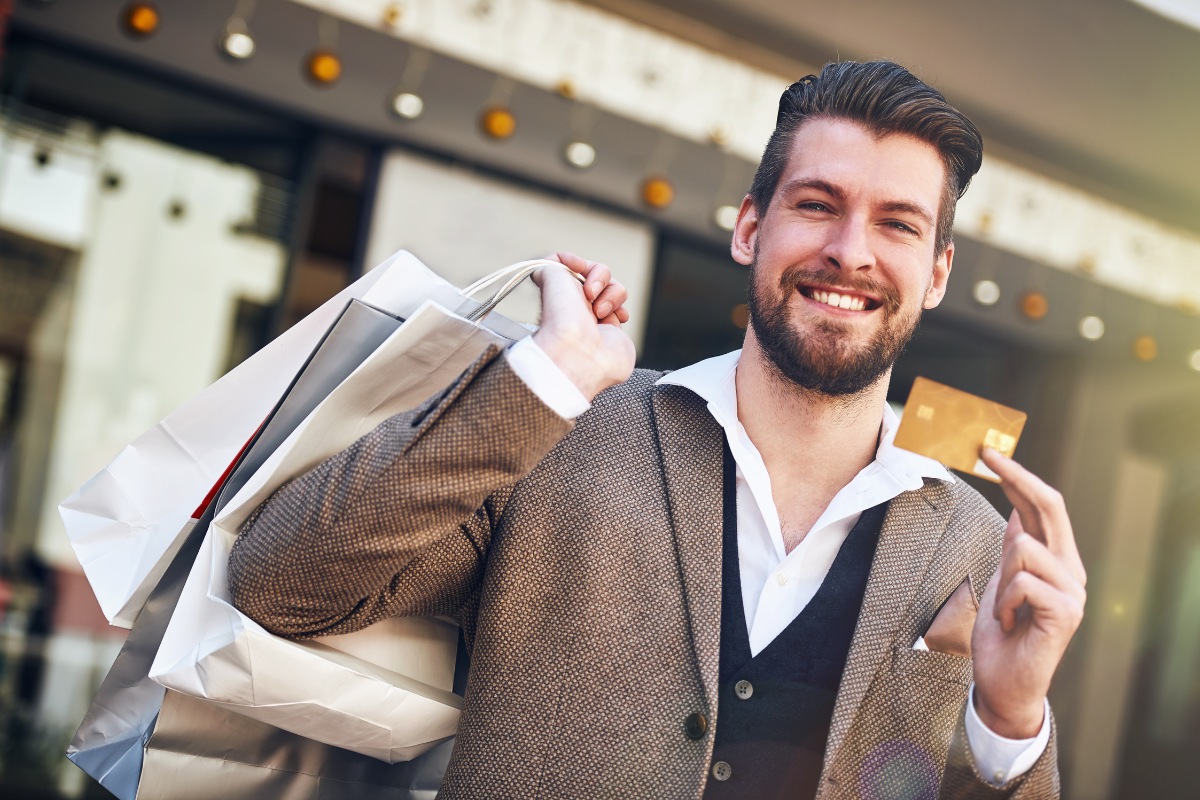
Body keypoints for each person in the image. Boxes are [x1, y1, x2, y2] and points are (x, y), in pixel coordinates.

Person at [229, 60, 1084, 799]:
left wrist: (1010, 722)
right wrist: (540, 381)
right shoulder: (565, 432)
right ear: (751, 228)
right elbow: (282, 586)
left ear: (935, 273)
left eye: (897, 223)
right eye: (819, 204)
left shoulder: (981, 548)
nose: (852, 252)